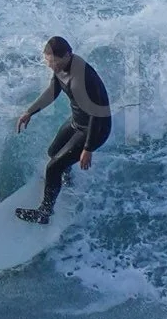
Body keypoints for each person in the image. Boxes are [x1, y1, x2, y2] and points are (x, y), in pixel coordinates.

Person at [15, 36, 110, 223]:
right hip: (77, 121)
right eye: (48, 62)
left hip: (95, 129)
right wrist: (30, 112)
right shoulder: (61, 67)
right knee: (53, 152)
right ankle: (66, 179)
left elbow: (97, 116)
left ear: (67, 55)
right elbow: (53, 91)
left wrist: (88, 149)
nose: (51, 66)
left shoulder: (84, 78)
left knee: (52, 168)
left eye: (53, 62)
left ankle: (44, 213)